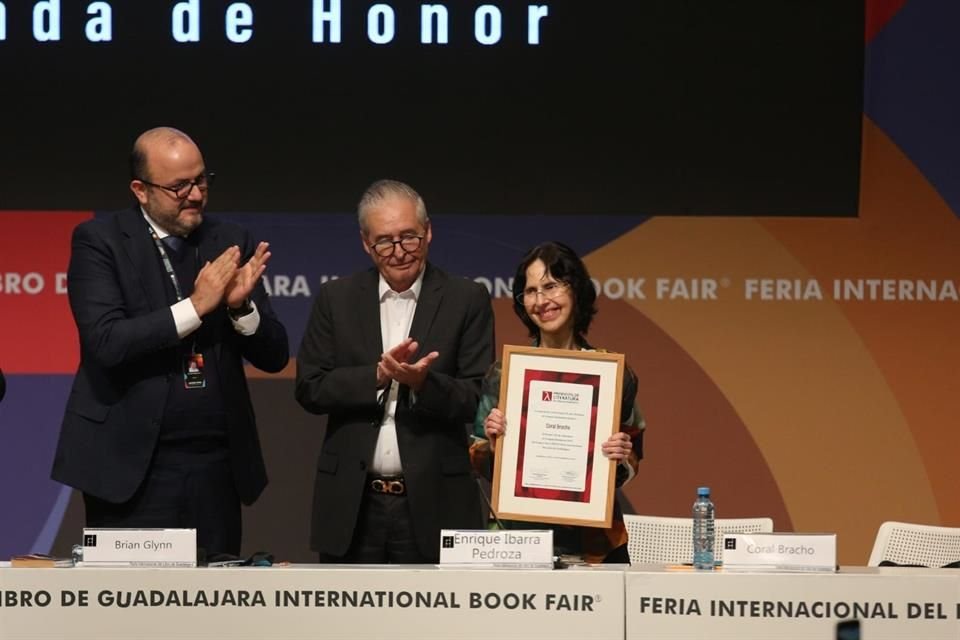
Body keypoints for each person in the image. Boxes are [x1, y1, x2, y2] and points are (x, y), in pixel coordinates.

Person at [51, 127, 289, 556]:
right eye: (179, 186)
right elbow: (107, 341)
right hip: (130, 469)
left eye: (201, 181)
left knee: (212, 612)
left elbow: (273, 356)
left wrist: (238, 309)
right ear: (140, 190)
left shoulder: (230, 241)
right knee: (130, 614)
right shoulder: (100, 242)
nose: (195, 195)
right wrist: (197, 307)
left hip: (215, 468)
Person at [295, 179, 495, 563]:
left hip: (435, 502)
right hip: (353, 506)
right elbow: (310, 387)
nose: (399, 252)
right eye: (385, 241)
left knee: (434, 624)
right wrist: (376, 376)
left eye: (410, 238)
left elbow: (476, 396)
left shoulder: (466, 298)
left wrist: (422, 383)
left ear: (429, 232)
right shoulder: (336, 298)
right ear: (365, 243)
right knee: (347, 623)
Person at [470, 241, 645, 564]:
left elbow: (633, 457)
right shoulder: (505, 374)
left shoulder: (613, 375)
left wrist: (619, 456)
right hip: (519, 537)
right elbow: (478, 456)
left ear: (575, 290)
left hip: (595, 540)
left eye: (551, 286)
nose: (541, 301)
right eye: (531, 291)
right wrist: (495, 447)